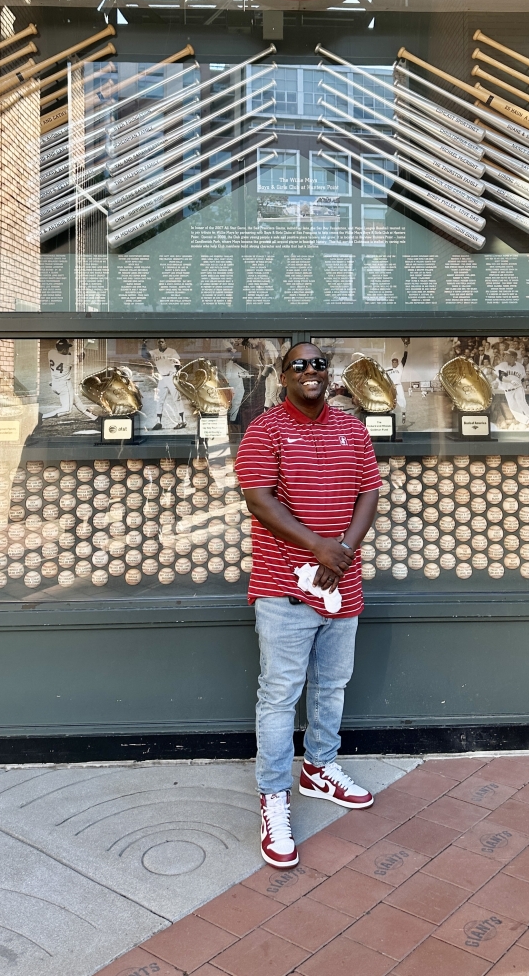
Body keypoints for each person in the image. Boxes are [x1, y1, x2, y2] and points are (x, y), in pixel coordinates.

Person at [235, 341, 380, 870]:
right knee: (279, 695)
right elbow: (258, 496)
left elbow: (369, 491)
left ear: (330, 374)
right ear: (283, 376)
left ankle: (320, 769)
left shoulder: (352, 428)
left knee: (332, 685)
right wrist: (317, 546)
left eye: (319, 364)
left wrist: (343, 551)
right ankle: (274, 796)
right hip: (284, 587)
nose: (311, 372)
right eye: (299, 365)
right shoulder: (265, 429)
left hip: (342, 584)